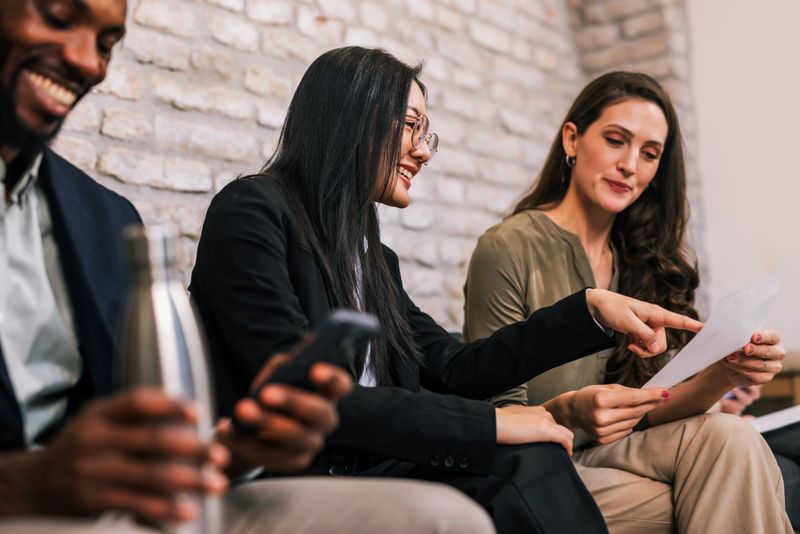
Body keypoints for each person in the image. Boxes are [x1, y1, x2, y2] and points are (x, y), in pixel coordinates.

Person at [0, 2, 496, 533]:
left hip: (150, 501)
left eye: (107, 45)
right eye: (57, 15)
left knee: (471, 502)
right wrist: (33, 481)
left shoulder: (102, 217)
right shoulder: (255, 210)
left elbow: (135, 434)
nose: (88, 63)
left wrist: (235, 450)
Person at [189, 46, 704, 534]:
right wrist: (490, 425)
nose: (422, 151)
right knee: (519, 458)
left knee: (530, 457)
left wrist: (589, 312)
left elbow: (456, 369)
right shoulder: (253, 211)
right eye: (411, 126)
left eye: (425, 132)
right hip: (292, 473)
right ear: (348, 116)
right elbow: (302, 397)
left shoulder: (373, 258)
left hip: (368, 465)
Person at [462, 71, 793, 533]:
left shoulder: (641, 258)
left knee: (732, 438)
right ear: (572, 139)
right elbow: (497, 411)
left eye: (649, 153)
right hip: (539, 461)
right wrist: (574, 408)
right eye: (617, 141)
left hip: (616, 452)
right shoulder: (509, 246)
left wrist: (727, 373)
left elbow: (648, 408)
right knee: (731, 487)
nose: (630, 165)